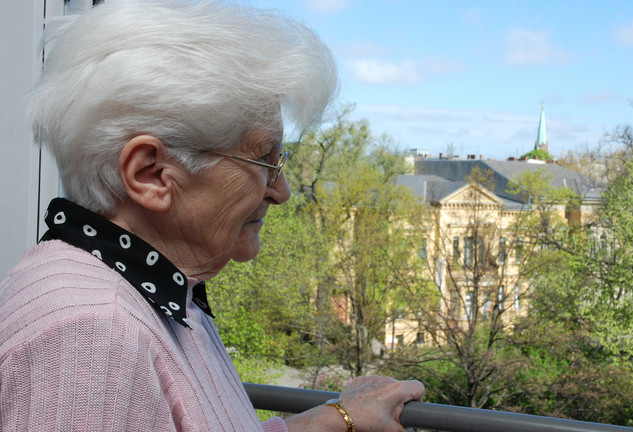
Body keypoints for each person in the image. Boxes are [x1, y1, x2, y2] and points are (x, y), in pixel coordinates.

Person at [0, 1, 424, 431]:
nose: (282, 191)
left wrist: (332, 420)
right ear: (152, 175)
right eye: (263, 159)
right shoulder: (91, 337)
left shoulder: (150, 294)